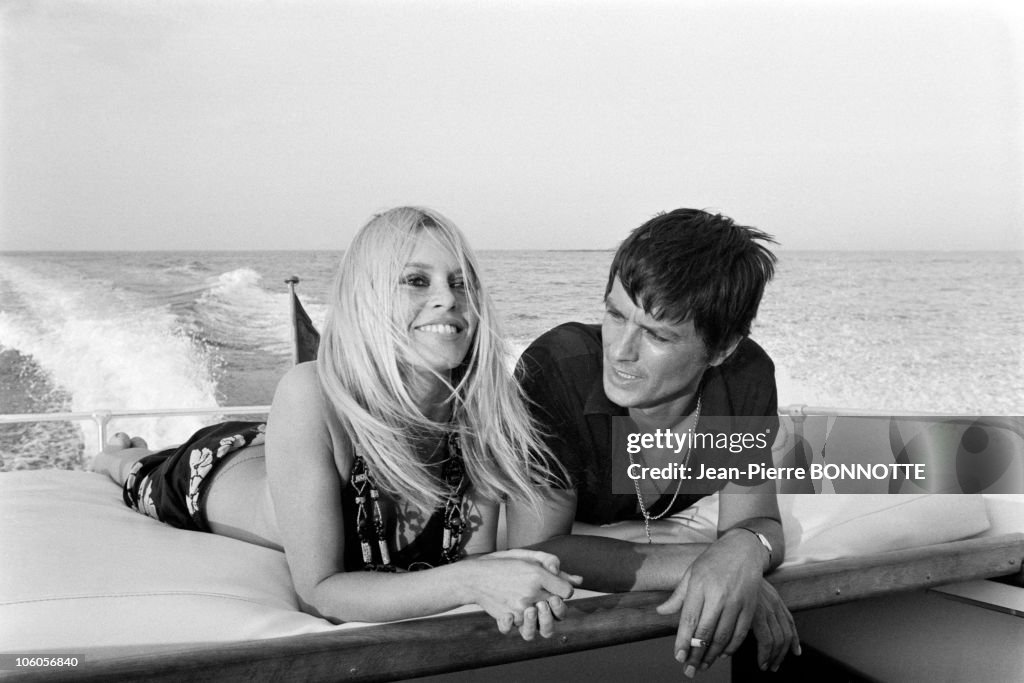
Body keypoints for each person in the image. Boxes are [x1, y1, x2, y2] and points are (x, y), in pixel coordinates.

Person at [92, 206, 578, 640]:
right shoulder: (309, 390)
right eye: (416, 280)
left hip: (289, 450)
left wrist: (502, 579)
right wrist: (474, 582)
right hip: (209, 471)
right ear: (368, 298)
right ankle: (118, 452)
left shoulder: (484, 411)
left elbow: (469, 557)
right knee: (137, 470)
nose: (447, 299)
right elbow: (320, 592)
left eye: (459, 282)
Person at [506, 208, 801, 676]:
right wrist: (706, 564)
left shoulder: (743, 377)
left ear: (722, 348)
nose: (620, 351)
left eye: (658, 335)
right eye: (614, 313)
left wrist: (745, 551)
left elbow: (758, 522)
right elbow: (537, 548)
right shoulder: (558, 370)